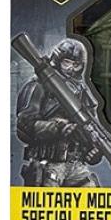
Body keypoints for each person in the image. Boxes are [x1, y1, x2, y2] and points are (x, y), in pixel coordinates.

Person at [16, 38, 103, 186]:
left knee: (91, 197)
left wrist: (94, 151)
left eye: (76, 64)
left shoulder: (81, 91)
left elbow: (91, 127)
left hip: (76, 165)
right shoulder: (39, 85)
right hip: (48, 164)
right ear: (57, 60)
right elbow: (24, 126)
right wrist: (57, 127)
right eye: (66, 62)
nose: (71, 68)